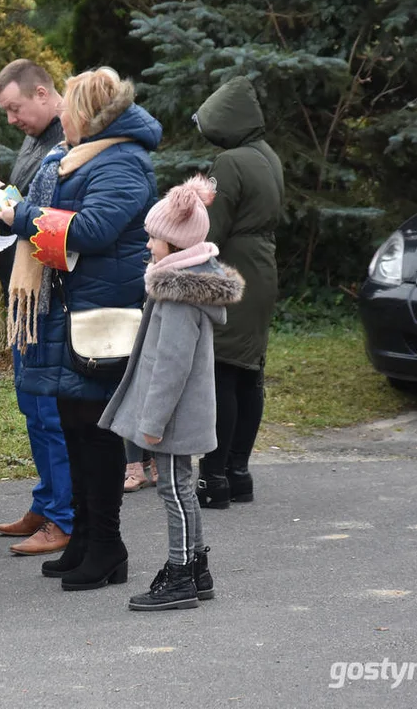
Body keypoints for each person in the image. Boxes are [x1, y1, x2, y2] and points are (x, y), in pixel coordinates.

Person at [0, 67, 161, 590]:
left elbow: (93, 229)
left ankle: (108, 545)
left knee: (96, 434)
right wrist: (5, 210)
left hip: (98, 314)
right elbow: (62, 219)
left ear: (89, 114)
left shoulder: (124, 158)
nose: (60, 115)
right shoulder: (78, 155)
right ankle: (86, 538)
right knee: (74, 428)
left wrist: (18, 214)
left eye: (69, 109)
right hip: (68, 309)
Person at [98, 176, 244, 611]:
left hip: (175, 415)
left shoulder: (179, 296)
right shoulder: (179, 284)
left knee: (176, 492)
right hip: (180, 413)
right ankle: (197, 569)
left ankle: (181, 575)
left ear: (176, 245)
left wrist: (152, 424)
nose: (147, 245)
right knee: (180, 488)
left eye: (154, 238)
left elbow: (171, 367)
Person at [0, 59, 73, 557]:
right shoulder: (35, 140)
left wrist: (12, 209)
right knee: (31, 406)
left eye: (15, 109)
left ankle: (64, 515)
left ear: (42, 93)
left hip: (51, 298)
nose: (12, 119)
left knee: (50, 410)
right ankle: (47, 501)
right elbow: (24, 211)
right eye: (6, 112)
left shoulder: (68, 140)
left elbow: (56, 219)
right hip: (25, 296)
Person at [192, 77, 284, 509]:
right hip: (263, 268)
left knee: (222, 371)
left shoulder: (228, 162)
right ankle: (238, 471)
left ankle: (214, 477)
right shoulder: (269, 157)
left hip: (233, 270)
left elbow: (212, 228)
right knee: (250, 372)